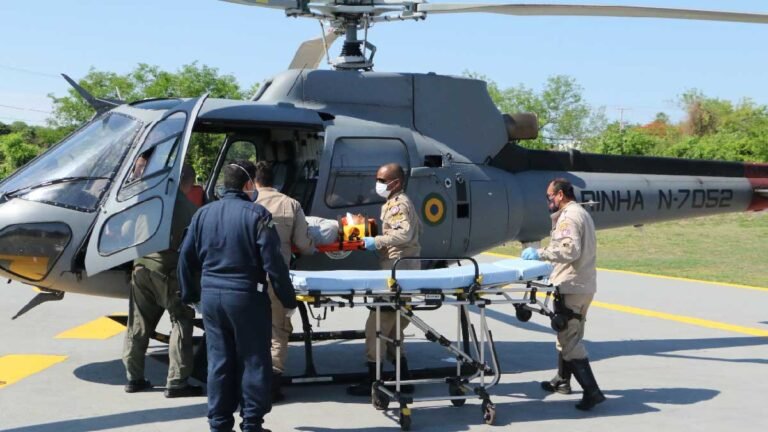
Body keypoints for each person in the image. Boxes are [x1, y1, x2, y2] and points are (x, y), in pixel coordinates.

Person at [178, 160, 297, 432]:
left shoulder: (202, 215)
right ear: (249, 184)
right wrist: (287, 300)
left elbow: (185, 258)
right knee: (254, 360)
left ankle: (219, 424)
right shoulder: (258, 215)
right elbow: (274, 265)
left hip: (211, 297)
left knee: (219, 362)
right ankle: (252, 424)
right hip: (246, 297)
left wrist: (191, 295)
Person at [521, 177, 606, 411]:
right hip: (580, 284)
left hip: (573, 286)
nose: (548, 200)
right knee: (567, 335)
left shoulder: (569, 216)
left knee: (570, 340)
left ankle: (592, 392)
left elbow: (569, 249)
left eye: (550, 196)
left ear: (560, 195)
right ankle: (563, 380)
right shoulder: (580, 213)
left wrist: (540, 254)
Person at [122, 164, 203, 398]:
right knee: (181, 322)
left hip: (140, 268)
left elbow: (125, 230)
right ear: (187, 182)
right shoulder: (188, 207)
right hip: (169, 272)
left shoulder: (148, 201)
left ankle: (133, 377)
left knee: (138, 324)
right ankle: (177, 381)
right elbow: (194, 245)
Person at [347, 163, 422, 397]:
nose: (377, 183)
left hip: (397, 273)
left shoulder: (398, 204)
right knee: (393, 331)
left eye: (381, 179)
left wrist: (376, 241)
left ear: (395, 182)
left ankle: (374, 381)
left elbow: (404, 234)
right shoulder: (395, 202)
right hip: (401, 270)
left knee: (376, 328)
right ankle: (404, 378)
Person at [253, 161, 315, 402]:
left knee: (249, 329)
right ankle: (272, 383)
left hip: (248, 279)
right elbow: (304, 245)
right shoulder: (291, 204)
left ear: (254, 181)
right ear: (274, 180)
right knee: (277, 330)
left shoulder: (247, 203)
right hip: (276, 278)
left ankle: (249, 379)